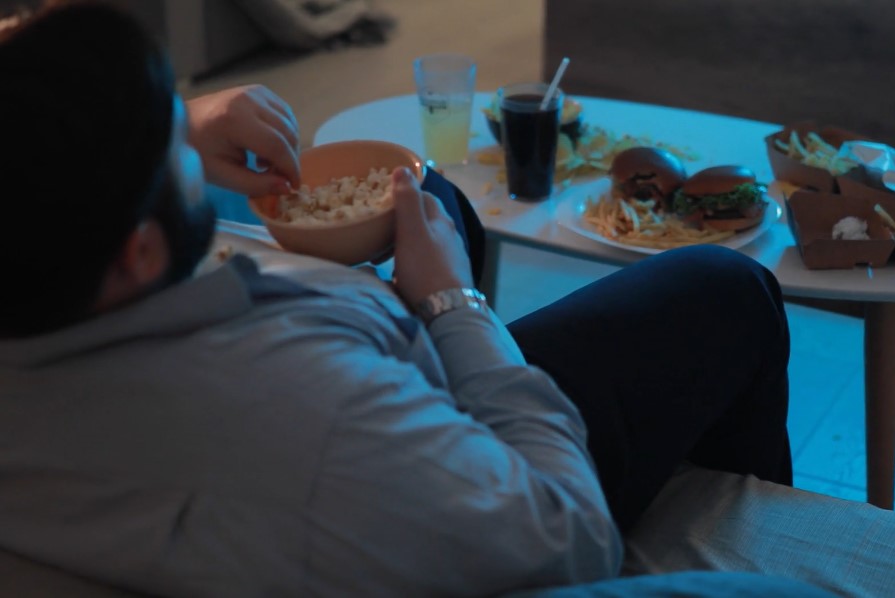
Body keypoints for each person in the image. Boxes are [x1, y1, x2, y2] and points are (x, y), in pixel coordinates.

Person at [0, 2, 801, 596]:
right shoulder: (315, 417)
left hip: (358, 379)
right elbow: (567, 535)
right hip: (444, 431)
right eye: (173, 144)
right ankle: (727, 525)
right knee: (726, 289)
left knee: (433, 197)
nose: (190, 140)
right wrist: (450, 302)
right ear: (138, 252)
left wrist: (184, 123)